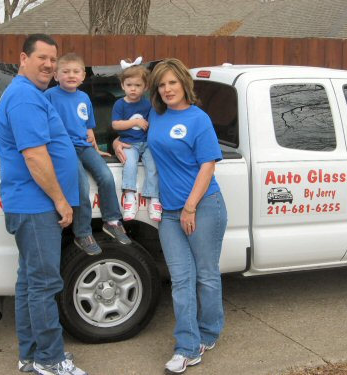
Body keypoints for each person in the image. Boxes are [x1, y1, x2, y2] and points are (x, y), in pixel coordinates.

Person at [114, 58, 227, 374]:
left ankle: (209, 332)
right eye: (161, 85)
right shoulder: (156, 115)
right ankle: (187, 347)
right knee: (181, 280)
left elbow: (208, 166)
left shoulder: (198, 119)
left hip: (202, 207)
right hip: (168, 212)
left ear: (183, 84)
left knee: (205, 275)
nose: (166, 89)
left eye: (171, 83)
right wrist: (116, 142)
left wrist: (190, 206)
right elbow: (136, 136)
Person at [0, 34, 87, 375]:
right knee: (45, 284)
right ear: (23, 58)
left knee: (30, 283)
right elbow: (34, 156)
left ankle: (31, 356)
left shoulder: (29, 94)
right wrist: (61, 200)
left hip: (32, 205)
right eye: (42, 58)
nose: (49, 64)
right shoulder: (24, 98)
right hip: (36, 207)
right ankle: (50, 359)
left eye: (53, 59)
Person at [45, 52, 131, 256]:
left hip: (84, 147)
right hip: (64, 150)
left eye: (76, 71)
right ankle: (82, 233)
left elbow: (87, 127)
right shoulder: (49, 96)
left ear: (83, 76)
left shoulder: (84, 98)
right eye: (65, 72)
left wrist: (96, 147)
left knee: (106, 177)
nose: (71, 75)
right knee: (81, 187)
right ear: (56, 75)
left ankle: (112, 221)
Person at [112, 57, 162, 222]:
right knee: (130, 164)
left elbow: (154, 125)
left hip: (146, 144)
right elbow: (116, 125)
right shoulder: (120, 104)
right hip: (129, 144)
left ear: (145, 87)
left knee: (153, 165)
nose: (133, 89)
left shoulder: (148, 105)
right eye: (129, 85)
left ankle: (154, 198)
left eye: (138, 85)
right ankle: (130, 197)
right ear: (122, 86)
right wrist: (135, 122)